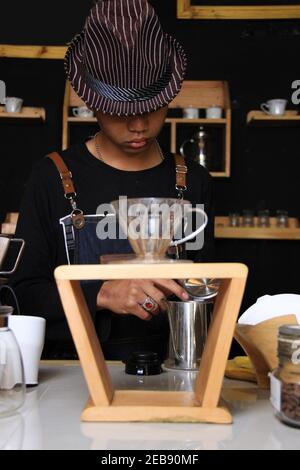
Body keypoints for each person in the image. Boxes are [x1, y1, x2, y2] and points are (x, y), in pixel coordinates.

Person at [9, 0, 214, 360]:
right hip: (71, 378)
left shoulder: (192, 181)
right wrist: (102, 294)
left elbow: (209, 292)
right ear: (91, 100)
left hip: (173, 373)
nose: (138, 125)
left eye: (152, 107)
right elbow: (23, 294)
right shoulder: (52, 177)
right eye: (121, 112)